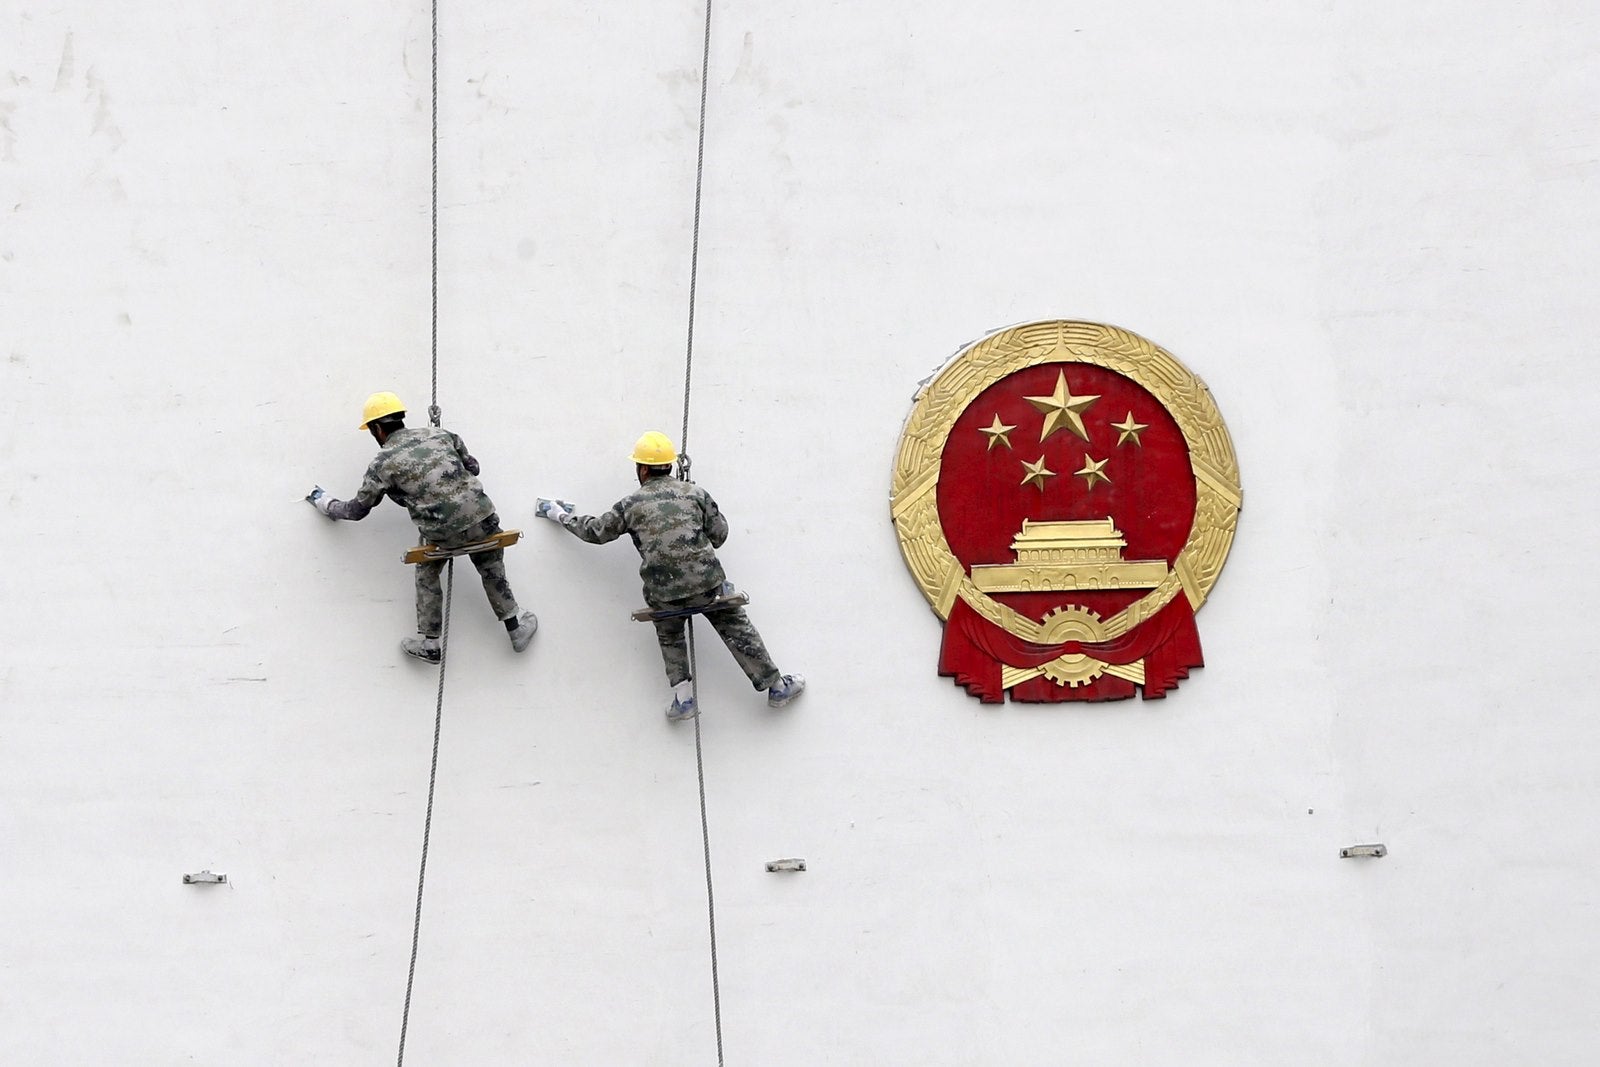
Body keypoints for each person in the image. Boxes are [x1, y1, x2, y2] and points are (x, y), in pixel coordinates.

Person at [535, 431, 803, 720]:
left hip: (664, 594)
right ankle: (776, 687)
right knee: (734, 623)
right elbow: (720, 535)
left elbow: (595, 532)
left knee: (669, 629)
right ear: (671, 466)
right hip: (707, 587)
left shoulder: (631, 504)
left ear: (644, 469)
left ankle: (683, 699)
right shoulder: (695, 494)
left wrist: (558, 514)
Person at [306, 391, 538, 663]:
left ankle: (430, 643)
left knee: (427, 569)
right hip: (483, 521)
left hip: (443, 536)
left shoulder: (382, 463)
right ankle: (515, 628)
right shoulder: (442, 435)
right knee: (489, 563)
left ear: (377, 429)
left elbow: (356, 511)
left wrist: (326, 504)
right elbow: (473, 468)